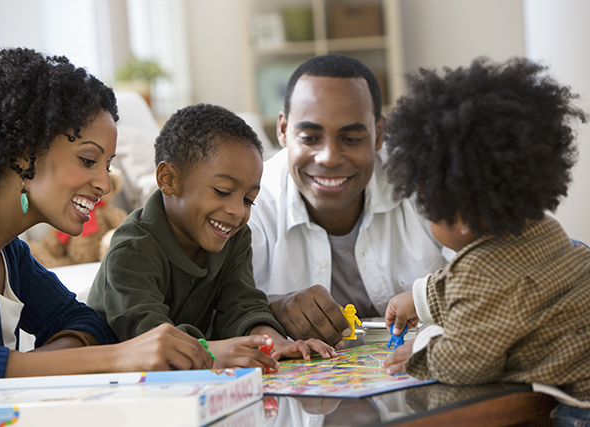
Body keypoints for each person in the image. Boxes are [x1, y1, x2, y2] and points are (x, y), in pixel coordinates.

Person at [0, 43, 216, 385]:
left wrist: (43, 365)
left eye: (108, 166)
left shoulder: (8, 251)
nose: (104, 184)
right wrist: (117, 357)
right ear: (22, 153)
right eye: (88, 160)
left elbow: (87, 323)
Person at [381, 57, 590, 425]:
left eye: (427, 205)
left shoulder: (479, 273)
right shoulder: (544, 229)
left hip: (573, 408)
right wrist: (417, 298)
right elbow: (484, 289)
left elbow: (467, 361)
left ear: (459, 218)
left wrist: (422, 349)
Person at [87, 103, 335, 372]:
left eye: (249, 200)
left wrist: (271, 342)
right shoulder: (132, 249)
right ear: (168, 179)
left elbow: (242, 304)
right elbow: (147, 337)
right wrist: (213, 351)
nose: (237, 211)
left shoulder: (234, 238)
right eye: (222, 191)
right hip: (120, 389)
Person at [249, 54, 447, 349]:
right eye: (309, 137)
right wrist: (273, 309)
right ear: (283, 130)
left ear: (378, 133)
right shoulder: (251, 202)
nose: (328, 157)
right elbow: (218, 310)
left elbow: (493, 269)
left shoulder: (424, 180)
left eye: (351, 138)